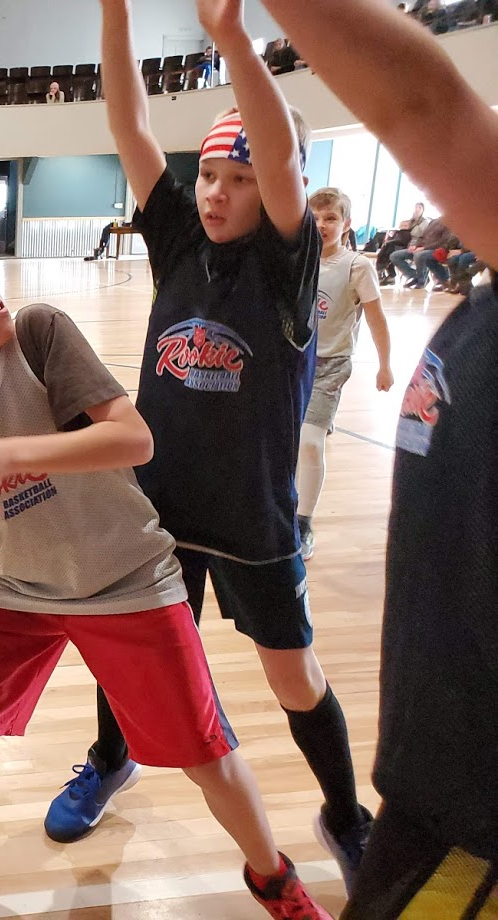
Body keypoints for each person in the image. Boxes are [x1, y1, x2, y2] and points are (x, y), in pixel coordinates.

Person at [0, 224, 331, 920]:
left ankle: (273, 880)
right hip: (19, 590)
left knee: (208, 757)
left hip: (127, 579)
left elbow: (132, 436)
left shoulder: (40, 336)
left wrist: (7, 454)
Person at [47, 0, 375, 895]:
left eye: (234, 179)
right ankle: (108, 760)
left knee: (294, 679)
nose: (214, 193)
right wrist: (114, 11)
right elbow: (127, 119)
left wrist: (231, 40)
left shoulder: (287, 262)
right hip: (157, 505)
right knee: (131, 649)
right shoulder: (180, 242)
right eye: (206, 178)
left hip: (251, 518)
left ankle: (346, 814)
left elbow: (275, 160)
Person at [260, 0, 498, 916]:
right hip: (437, 780)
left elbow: (422, 104)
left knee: (314, 446)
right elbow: (417, 109)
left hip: (473, 818)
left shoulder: (360, 269)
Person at [296, 186, 394, 559]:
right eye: (316, 217)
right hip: (293, 363)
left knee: (310, 441)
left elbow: (377, 319)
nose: (321, 224)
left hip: (330, 366)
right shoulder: (299, 259)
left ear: (346, 223)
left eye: (331, 218)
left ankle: (303, 522)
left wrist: (385, 365)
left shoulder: (357, 266)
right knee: (288, 442)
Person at [390, 214, 453, 288]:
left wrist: (424, 248)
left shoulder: (450, 223)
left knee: (419, 255)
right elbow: (421, 237)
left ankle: (421, 281)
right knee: (395, 256)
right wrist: (415, 246)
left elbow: (443, 241)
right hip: (421, 248)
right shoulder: (433, 221)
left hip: (436, 250)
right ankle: (415, 276)